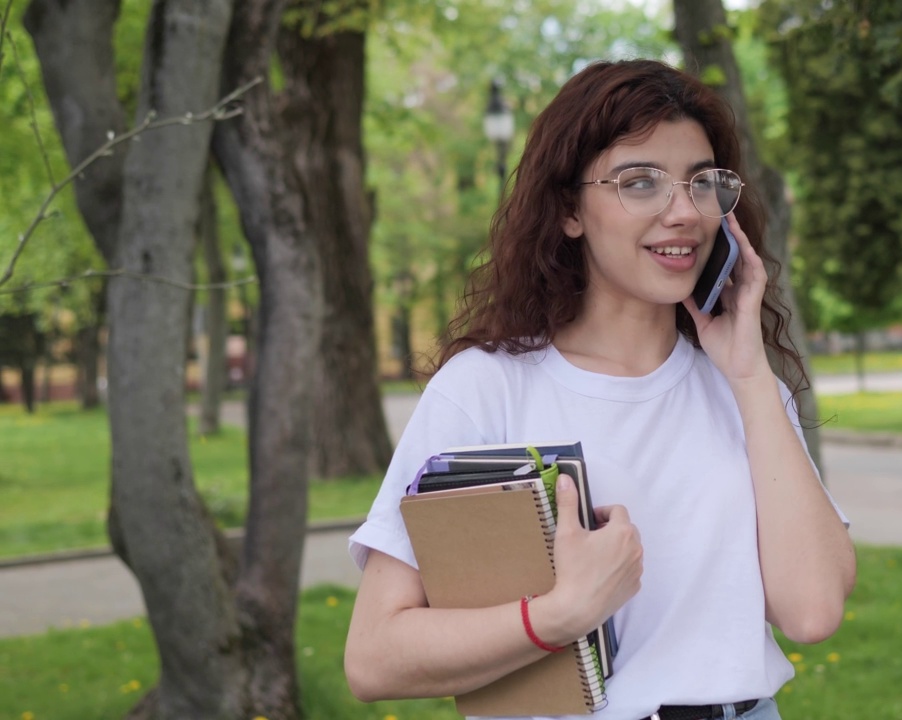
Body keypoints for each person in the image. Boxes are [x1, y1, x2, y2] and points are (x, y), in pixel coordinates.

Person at [344, 58, 857, 720]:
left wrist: (753, 377)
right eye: (640, 182)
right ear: (569, 211)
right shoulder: (486, 390)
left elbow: (813, 611)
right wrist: (560, 616)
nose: (683, 213)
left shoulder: (744, 387)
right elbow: (374, 656)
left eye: (702, 183)